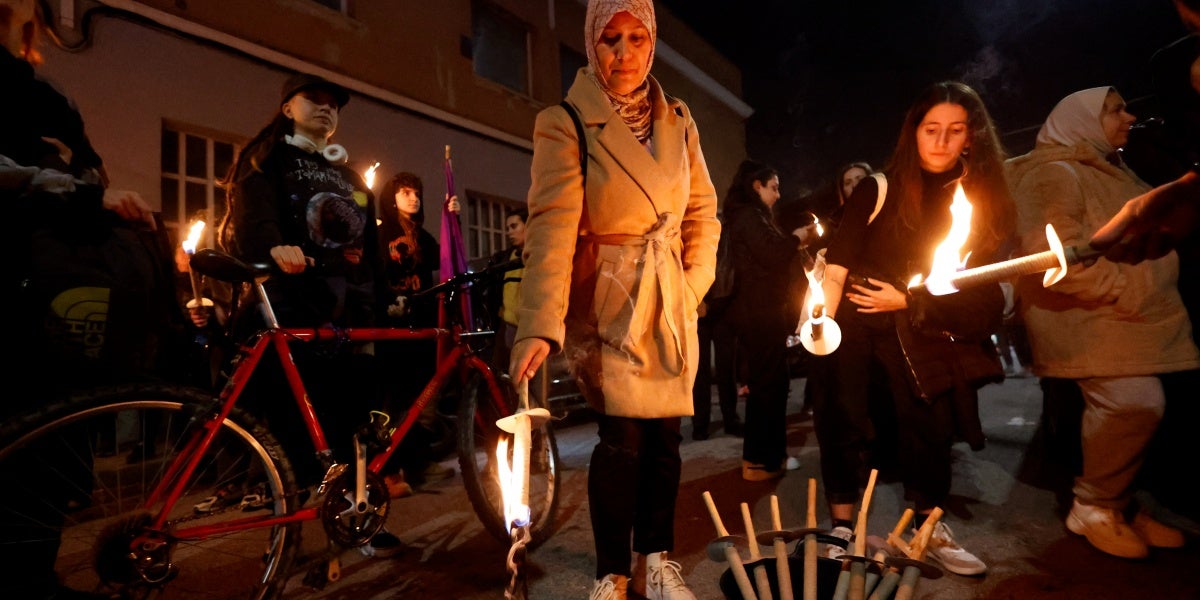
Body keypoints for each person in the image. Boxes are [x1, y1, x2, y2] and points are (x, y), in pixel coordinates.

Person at [507, 1, 719, 597]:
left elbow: (703, 210)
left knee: (666, 438)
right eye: (609, 40)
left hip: (669, 298)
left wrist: (692, 284)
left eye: (635, 38)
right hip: (611, 300)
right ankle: (611, 572)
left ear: (652, 43)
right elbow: (550, 225)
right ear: (590, 46)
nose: (623, 54)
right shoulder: (566, 120)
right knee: (622, 439)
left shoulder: (680, 119)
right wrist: (538, 323)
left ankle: (656, 557)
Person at [815, 81, 1016, 577]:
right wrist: (818, 323)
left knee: (929, 422)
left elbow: (977, 280)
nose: (942, 141)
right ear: (914, 132)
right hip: (856, 320)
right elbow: (838, 265)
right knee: (845, 416)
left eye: (955, 130)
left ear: (971, 137)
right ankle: (842, 528)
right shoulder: (879, 186)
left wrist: (908, 300)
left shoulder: (978, 196)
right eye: (932, 129)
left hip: (920, 322)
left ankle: (924, 526)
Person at [215, 71, 402, 555]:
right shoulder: (266, 158)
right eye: (313, 99)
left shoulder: (352, 176)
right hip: (294, 306)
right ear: (287, 108)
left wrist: (385, 298)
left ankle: (361, 515)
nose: (326, 108)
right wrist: (271, 245)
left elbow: (371, 244)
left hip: (351, 310)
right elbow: (252, 221)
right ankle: (286, 534)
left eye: (334, 104)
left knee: (356, 422)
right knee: (291, 425)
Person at [1006, 86, 1197, 559]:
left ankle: (1119, 501)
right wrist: (1122, 288)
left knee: (1140, 411)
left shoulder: (1110, 166)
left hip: (1127, 320)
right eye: (1115, 110)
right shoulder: (1054, 172)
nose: (1129, 117)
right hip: (1093, 321)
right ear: (1081, 122)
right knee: (1135, 403)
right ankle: (1093, 505)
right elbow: (1050, 258)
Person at [374, 171, 459, 498]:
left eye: (417, 192)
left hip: (423, 325)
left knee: (424, 399)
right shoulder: (382, 234)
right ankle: (390, 469)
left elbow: (446, 259)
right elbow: (376, 275)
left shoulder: (423, 236)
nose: (413, 197)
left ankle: (419, 462)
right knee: (394, 401)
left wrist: (453, 220)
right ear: (391, 197)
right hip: (393, 326)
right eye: (406, 192)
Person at [722, 159, 808, 479]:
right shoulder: (747, 216)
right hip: (757, 314)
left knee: (775, 384)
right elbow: (772, 255)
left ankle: (774, 455)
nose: (778, 194)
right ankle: (758, 461)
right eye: (773, 187)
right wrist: (798, 238)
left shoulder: (755, 216)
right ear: (756, 185)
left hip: (766, 312)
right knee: (766, 387)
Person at [484, 208, 528, 372]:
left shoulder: (541, 256)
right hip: (506, 327)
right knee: (503, 377)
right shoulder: (503, 259)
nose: (509, 232)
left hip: (530, 329)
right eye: (507, 228)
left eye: (514, 226)